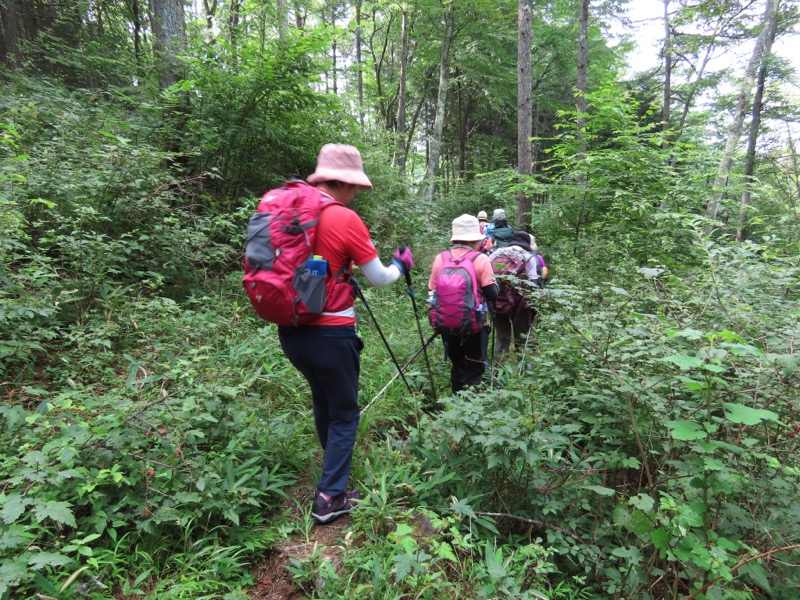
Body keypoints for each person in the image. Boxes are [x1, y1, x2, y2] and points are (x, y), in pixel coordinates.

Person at [277, 144, 414, 525]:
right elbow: (380, 279)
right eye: (355, 187)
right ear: (342, 182)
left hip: (291, 330)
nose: (357, 194)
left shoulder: (288, 210)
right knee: (345, 414)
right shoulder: (343, 218)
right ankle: (330, 498)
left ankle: (331, 472)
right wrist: (401, 264)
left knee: (324, 399)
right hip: (332, 334)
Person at [429, 214, 498, 393]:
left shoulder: (441, 259)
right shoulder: (480, 259)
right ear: (476, 238)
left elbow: (432, 291)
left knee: (457, 364)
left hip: (446, 323)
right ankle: (471, 408)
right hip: (475, 324)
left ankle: (455, 401)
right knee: (474, 366)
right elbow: (492, 293)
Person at [488, 231, 541, 360]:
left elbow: (488, 276)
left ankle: (499, 370)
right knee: (521, 336)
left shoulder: (496, 253)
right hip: (520, 304)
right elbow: (533, 284)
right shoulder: (528, 257)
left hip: (498, 301)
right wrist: (534, 305)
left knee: (502, 337)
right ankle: (523, 370)